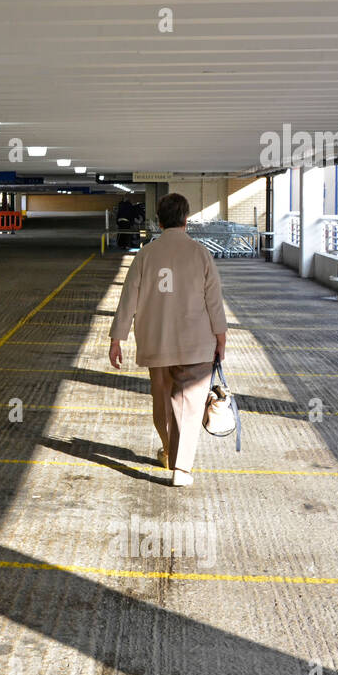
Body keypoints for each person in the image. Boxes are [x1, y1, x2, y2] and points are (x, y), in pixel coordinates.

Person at [108, 192, 228, 487]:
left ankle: (168, 451)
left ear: (159, 221)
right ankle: (182, 469)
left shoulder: (146, 255)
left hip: (156, 340)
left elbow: (128, 299)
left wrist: (117, 338)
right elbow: (214, 301)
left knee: (162, 400)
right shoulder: (201, 253)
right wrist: (221, 338)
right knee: (188, 405)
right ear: (186, 219)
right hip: (196, 343)